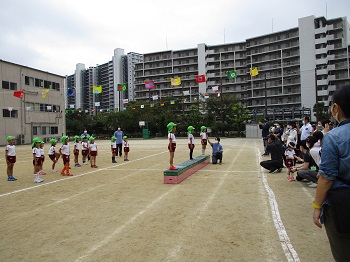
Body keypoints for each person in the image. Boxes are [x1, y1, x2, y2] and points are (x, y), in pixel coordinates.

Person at [313, 85, 350, 261]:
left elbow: (327, 178)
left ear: (336, 108)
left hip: (342, 202)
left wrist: (316, 206)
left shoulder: (334, 137)